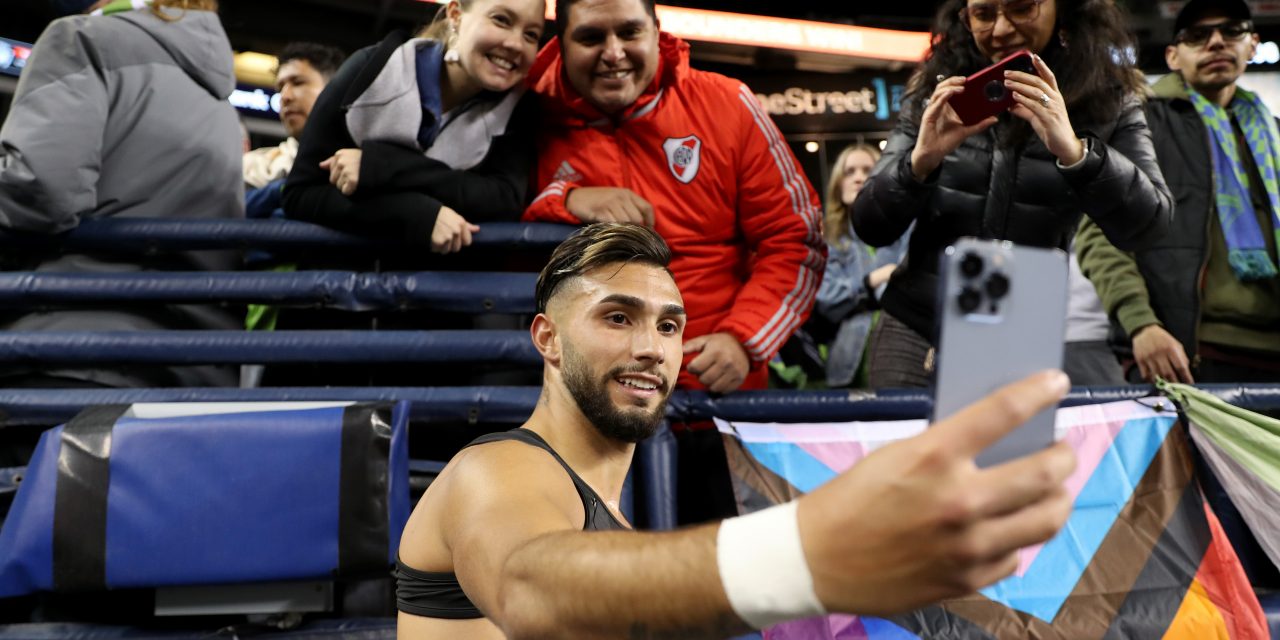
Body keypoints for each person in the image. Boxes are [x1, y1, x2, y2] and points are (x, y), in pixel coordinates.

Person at [394, 222, 1076, 638]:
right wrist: (807, 551)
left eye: (669, 325)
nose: (650, 348)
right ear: (547, 338)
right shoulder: (495, 470)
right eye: (616, 317)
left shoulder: (607, 521)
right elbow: (528, 590)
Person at [851, 0, 1173, 389]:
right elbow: (869, 225)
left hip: (1018, 334)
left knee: (1007, 451)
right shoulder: (934, 90)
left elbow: (1151, 225)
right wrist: (920, 162)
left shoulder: (1108, 98)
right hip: (915, 328)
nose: (1001, 29)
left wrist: (1076, 153)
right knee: (908, 450)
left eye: (1022, 8)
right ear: (965, 18)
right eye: (984, 14)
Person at [521, 0, 825, 395]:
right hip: (588, 403)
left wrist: (744, 340)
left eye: (629, 32)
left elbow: (797, 239)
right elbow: (490, 219)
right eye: (591, 37)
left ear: (656, 31)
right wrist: (564, 199)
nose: (613, 54)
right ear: (561, 44)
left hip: (716, 395)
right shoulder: (526, 116)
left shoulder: (727, 103)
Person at [0, 0, 242, 390]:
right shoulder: (223, 105)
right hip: (191, 371)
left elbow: (40, 190)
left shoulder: (82, 36)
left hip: (69, 350)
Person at [1077, 0, 1280, 384]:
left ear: (1252, 44)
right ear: (1172, 55)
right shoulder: (1140, 124)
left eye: (1231, 31)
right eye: (1198, 36)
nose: (1216, 42)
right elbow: (1101, 233)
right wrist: (1140, 324)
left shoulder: (1273, 135)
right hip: (1184, 354)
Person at [282, 0, 544, 253]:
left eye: (531, 35)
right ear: (455, 15)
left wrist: (380, 166)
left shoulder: (522, 108)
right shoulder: (371, 70)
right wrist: (411, 211)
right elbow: (300, 194)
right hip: (338, 287)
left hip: (440, 289)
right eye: (501, 20)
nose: (515, 44)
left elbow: (502, 201)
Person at [816, 143, 910, 388]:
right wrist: (872, 280)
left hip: (903, 354)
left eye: (867, 170)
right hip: (847, 363)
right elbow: (827, 298)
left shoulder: (907, 229)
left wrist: (858, 295)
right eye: (849, 172)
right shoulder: (829, 241)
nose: (859, 178)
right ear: (838, 184)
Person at [242, 42, 347, 218]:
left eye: (298, 82)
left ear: (334, 90)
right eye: (280, 88)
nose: (285, 96)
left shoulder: (363, 161)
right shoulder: (253, 166)